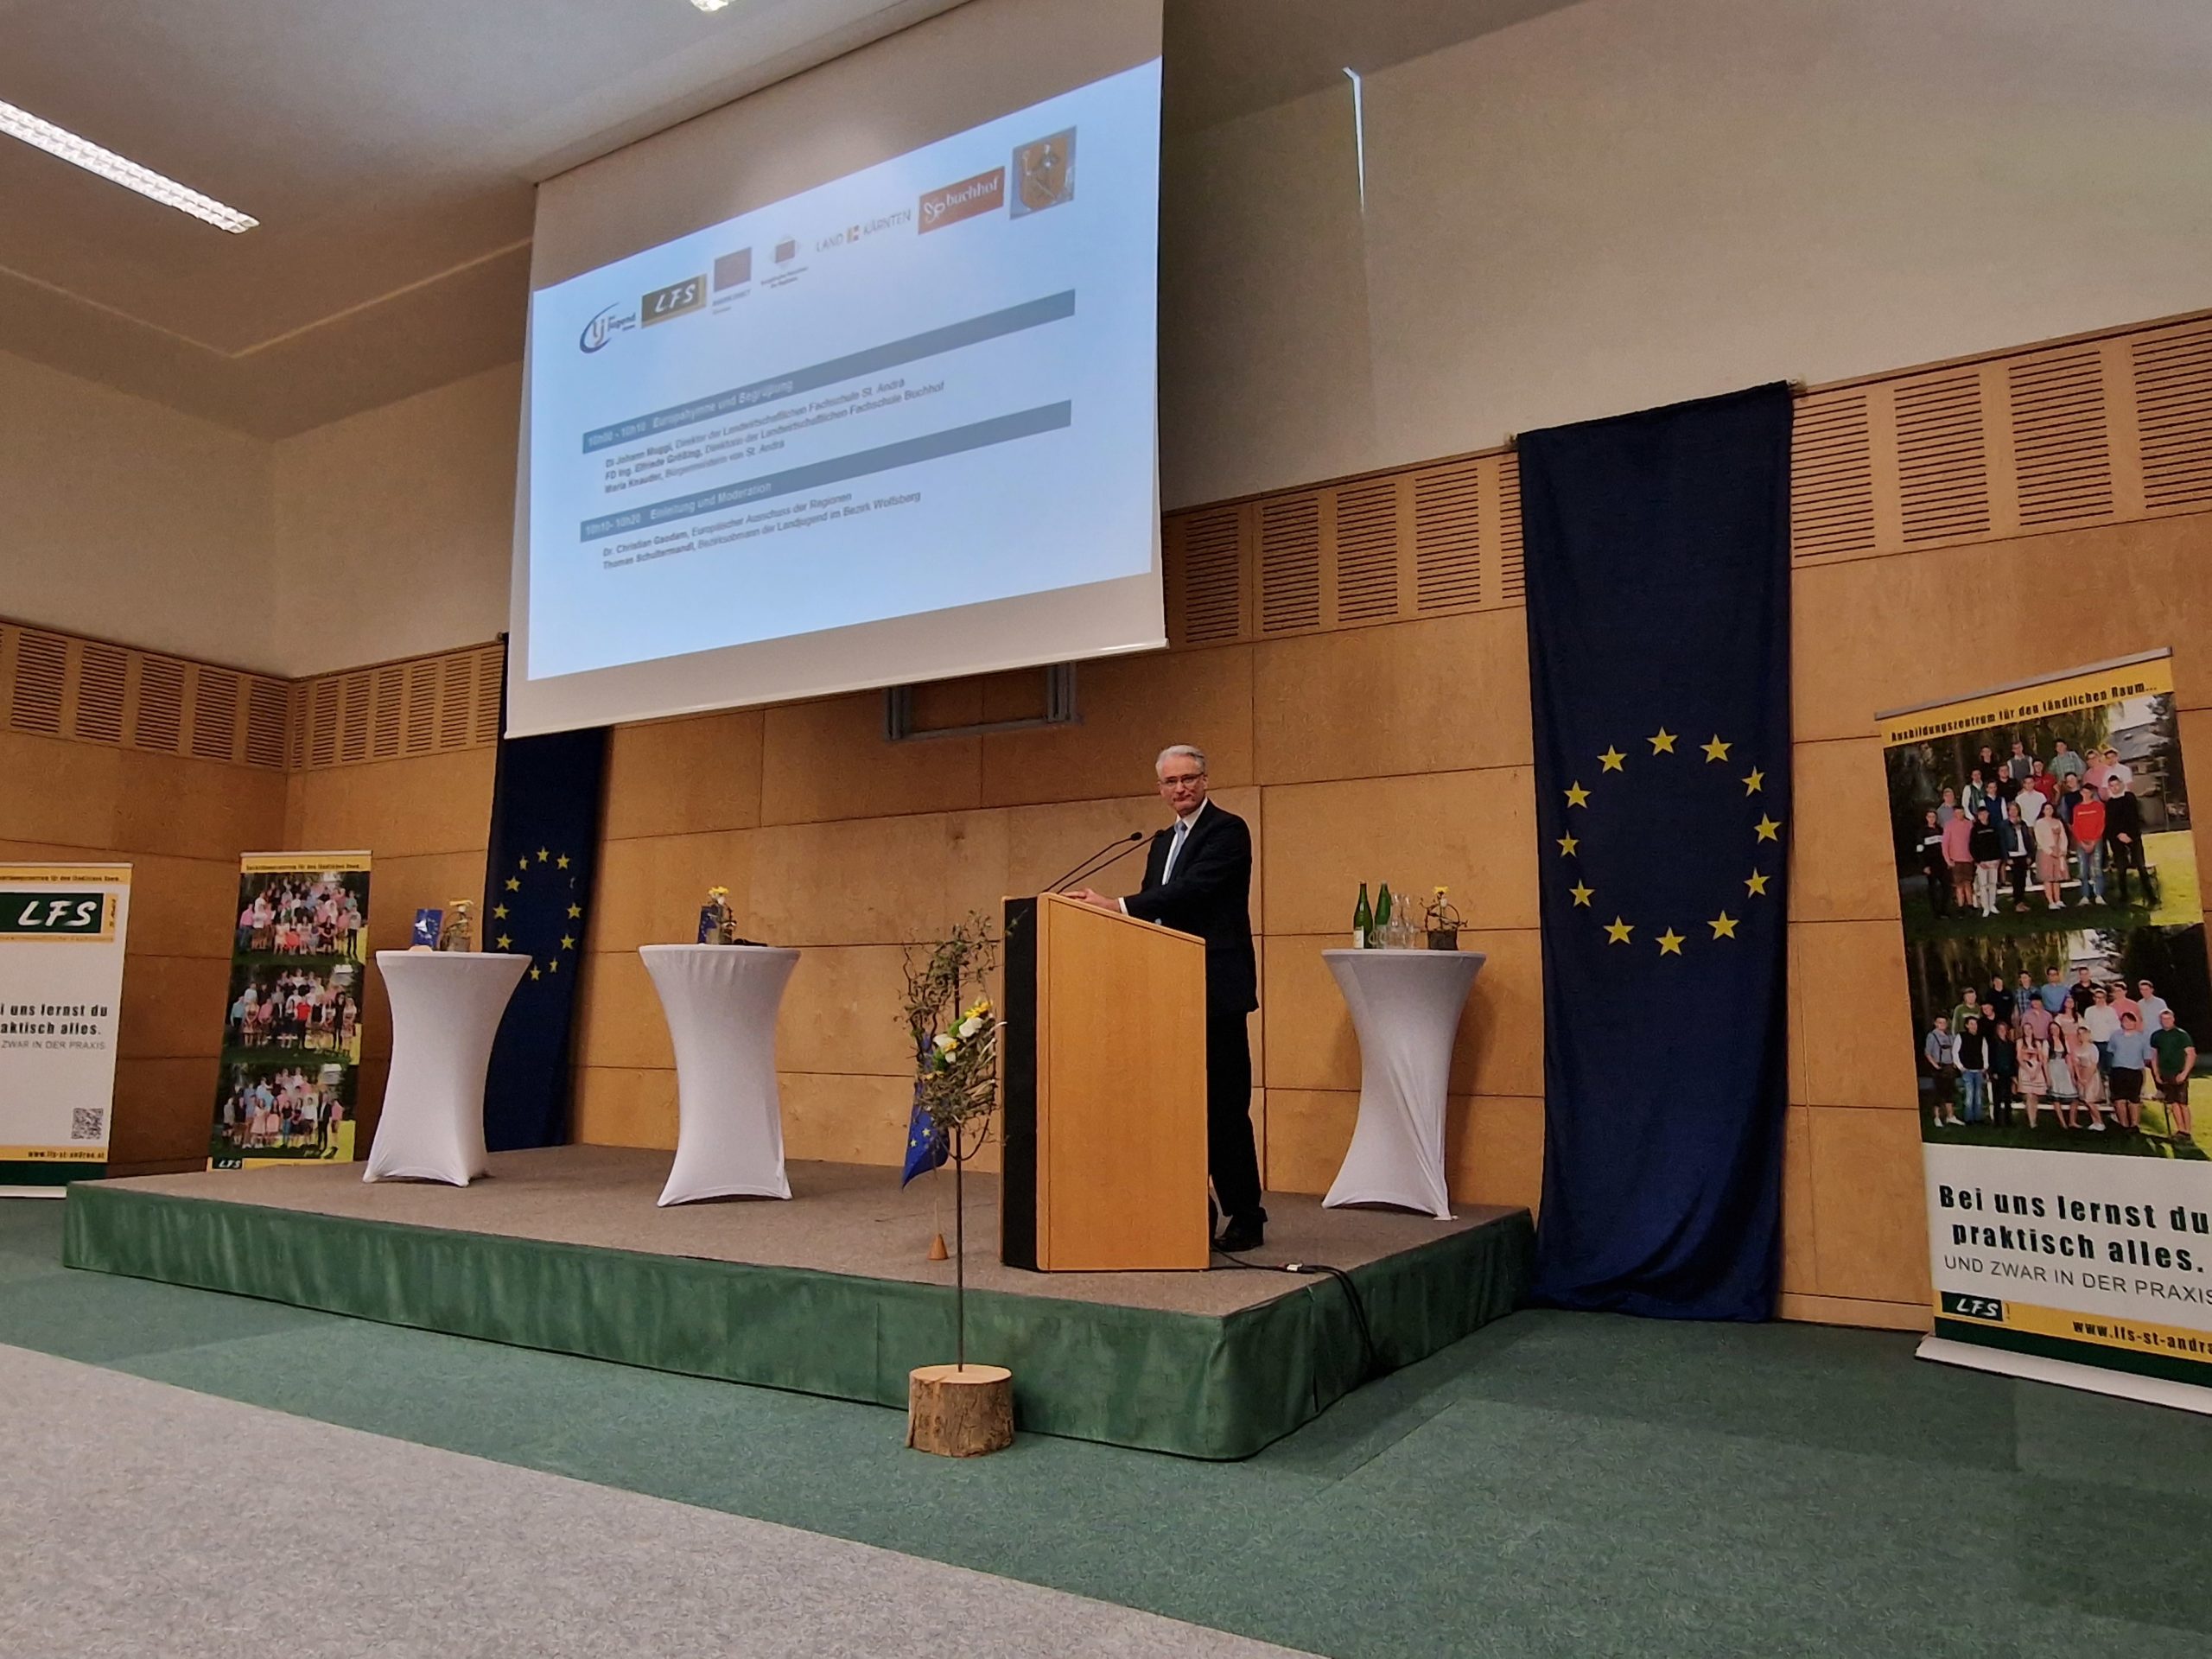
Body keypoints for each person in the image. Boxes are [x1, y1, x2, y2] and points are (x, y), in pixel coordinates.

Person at [1071, 744, 1264, 1250]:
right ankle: (1186, 1207)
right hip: (1167, 993)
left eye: (1188, 779)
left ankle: (1246, 1215)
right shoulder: (1160, 843)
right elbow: (1154, 916)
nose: (1180, 788)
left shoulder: (1227, 830)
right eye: (1171, 782)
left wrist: (1116, 905)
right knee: (1174, 1108)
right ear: (1160, 789)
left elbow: (1193, 892)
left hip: (1216, 991)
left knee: (1224, 1107)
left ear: (1205, 781)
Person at [2101, 778, 2156, 906]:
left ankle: (2150, 895)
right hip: (2117, 840)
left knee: (2141, 866)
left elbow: (2134, 817)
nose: (2115, 788)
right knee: (2121, 868)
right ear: (2109, 788)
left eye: (2116, 785)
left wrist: (2129, 835)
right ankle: (2124, 896)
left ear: (2121, 785)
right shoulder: (2109, 804)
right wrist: (2119, 834)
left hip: (2133, 837)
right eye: (2112, 786)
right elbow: (2110, 823)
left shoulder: (2129, 798)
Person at [2152, 1009, 2196, 1141]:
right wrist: (2156, 1073)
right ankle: (2180, 1130)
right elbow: (2154, 1055)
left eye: (2168, 1019)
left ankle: (2187, 1131)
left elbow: (2191, 1054)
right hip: (2165, 1073)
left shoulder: (2182, 1035)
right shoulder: (2157, 1036)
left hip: (2179, 1072)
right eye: (2163, 1019)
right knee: (2173, 1102)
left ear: (2173, 1019)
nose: (2166, 1021)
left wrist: (2184, 1073)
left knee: (2182, 1103)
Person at [2107, 1010, 2152, 1132]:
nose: (2128, 1023)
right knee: (2119, 1099)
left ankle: (2134, 1125)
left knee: (2134, 1099)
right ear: (2121, 1022)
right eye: (2125, 1021)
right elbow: (2111, 1050)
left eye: (2131, 1021)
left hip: (2135, 1071)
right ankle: (2123, 1125)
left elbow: (2147, 1057)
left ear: (2135, 1023)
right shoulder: (2115, 1036)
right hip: (2118, 1070)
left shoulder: (2142, 1038)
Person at [2070, 784, 2107, 905]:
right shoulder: (2077, 808)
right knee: (2083, 869)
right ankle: (2085, 895)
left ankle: (2099, 894)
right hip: (2082, 842)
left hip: (2095, 841)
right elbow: (2076, 826)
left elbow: (2101, 824)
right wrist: (2081, 841)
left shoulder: (2098, 806)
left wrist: (2094, 841)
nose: (2086, 794)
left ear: (2092, 793)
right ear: (2081, 793)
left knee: (2096, 868)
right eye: (2084, 792)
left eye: (2088, 792)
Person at [1923, 1016, 1962, 1127]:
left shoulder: (1950, 1036)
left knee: (1949, 1092)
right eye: (1940, 1022)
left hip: (1949, 1067)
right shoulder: (1932, 1036)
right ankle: (1937, 1117)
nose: (1942, 1024)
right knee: (1939, 1093)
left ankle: (1950, 1116)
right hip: (1939, 1067)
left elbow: (1954, 1050)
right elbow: (1927, 1052)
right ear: (1935, 1023)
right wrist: (1935, 1065)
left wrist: (1954, 1063)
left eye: (1944, 1022)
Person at [1967, 804, 2002, 917]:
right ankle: (1985, 907)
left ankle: (1992, 905)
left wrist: (1999, 859)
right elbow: (1972, 846)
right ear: (1978, 816)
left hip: (1994, 861)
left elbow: (1998, 843)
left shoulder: (1994, 827)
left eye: (1985, 814)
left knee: (1993, 884)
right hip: (1982, 862)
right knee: (1983, 885)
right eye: (1981, 814)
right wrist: (1978, 861)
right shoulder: (1975, 829)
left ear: (1988, 814)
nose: (1983, 816)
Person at [2072, 1025, 2108, 1131]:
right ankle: (2095, 1122)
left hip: (2091, 1075)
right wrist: (2079, 1077)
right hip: (2082, 1073)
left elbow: (2093, 1064)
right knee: (2086, 1100)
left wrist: (2087, 1079)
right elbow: (2076, 1064)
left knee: (2089, 1100)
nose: (2081, 1036)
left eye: (2083, 1033)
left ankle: (2100, 1122)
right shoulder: (2077, 1049)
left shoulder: (2093, 1048)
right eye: (2079, 1034)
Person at [2031, 804, 2068, 911]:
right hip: (2045, 852)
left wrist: (2062, 849)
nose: (2049, 811)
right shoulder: (2039, 823)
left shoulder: (2058, 822)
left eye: (2051, 808)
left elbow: (2063, 837)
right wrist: (2050, 852)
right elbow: (2039, 839)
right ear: (2043, 811)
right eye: (2047, 809)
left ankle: (2058, 899)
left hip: (2058, 851)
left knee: (2057, 877)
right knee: (2048, 877)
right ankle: (2050, 901)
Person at [2045, 1025, 2082, 1129]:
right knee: (2056, 1097)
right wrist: (2048, 1076)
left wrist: (2072, 1075)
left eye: (2056, 1028)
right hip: (2053, 1068)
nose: (2054, 1031)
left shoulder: (2064, 1041)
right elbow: (2045, 1060)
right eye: (2052, 1029)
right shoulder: (2047, 1042)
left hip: (2064, 1068)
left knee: (2075, 1097)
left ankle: (2072, 1121)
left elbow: (2068, 1058)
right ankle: (2062, 1122)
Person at [1916, 809, 1951, 916]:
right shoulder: (1922, 832)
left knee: (1946, 887)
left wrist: (1948, 860)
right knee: (1933, 889)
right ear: (1926, 818)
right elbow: (1919, 850)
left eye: (1934, 817)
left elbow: (1946, 846)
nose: (1932, 819)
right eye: (1930, 817)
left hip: (1942, 863)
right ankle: (1936, 912)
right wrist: (1924, 866)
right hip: (1930, 864)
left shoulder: (1941, 830)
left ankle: (1944, 910)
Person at [1941, 806, 1974, 913]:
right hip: (1956, 860)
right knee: (1959, 885)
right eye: (1957, 813)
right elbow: (1945, 844)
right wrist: (1948, 859)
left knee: (1968, 883)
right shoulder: (1949, 825)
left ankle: (1970, 905)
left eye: (1961, 812)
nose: (1959, 815)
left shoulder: (1969, 824)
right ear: (1954, 814)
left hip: (1968, 859)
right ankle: (1960, 906)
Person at [2000, 803, 2033, 910]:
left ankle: (2021, 900)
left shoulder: (2023, 824)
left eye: (2015, 809)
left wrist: (2029, 855)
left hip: (2023, 854)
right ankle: (2017, 902)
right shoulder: (2004, 825)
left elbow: (2028, 839)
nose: (2013, 812)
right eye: (2011, 809)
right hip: (2013, 855)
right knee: (2016, 879)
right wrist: (2007, 857)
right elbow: (2003, 842)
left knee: (2022, 878)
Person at [1956, 1016, 1988, 1124]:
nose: (1974, 1026)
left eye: (1975, 1024)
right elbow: (1955, 1052)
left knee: (1978, 1095)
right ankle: (1968, 1118)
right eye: (1971, 1024)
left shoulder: (1981, 1038)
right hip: (1967, 1070)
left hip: (1978, 1070)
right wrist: (1960, 1066)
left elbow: (1985, 1052)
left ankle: (1978, 1117)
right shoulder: (1961, 1036)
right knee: (1969, 1096)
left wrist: (1985, 1066)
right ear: (1967, 1025)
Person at [1987, 1019, 2018, 1128]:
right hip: (1997, 1073)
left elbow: (2013, 1060)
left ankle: (2008, 1120)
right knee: (1997, 1098)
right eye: (2000, 1029)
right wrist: (1993, 1072)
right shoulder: (1993, 1044)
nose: (2002, 1031)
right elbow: (1991, 1059)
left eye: (2004, 1029)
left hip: (2008, 1073)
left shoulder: (2011, 1044)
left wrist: (2014, 1074)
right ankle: (1997, 1121)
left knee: (2008, 1098)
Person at [2017, 1032, 2048, 1129]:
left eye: (2029, 1029)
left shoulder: (2037, 1043)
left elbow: (2041, 1059)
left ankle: (2034, 1118)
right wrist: (2028, 1070)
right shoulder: (2020, 1042)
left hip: (2036, 1070)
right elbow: (2019, 1057)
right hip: (2025, 1069)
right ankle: (2031, 1121)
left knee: (2034, 1096)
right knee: (2029, 1095)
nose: (2027, 1031)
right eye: (2025, 1029)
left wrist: (2036, 1071)